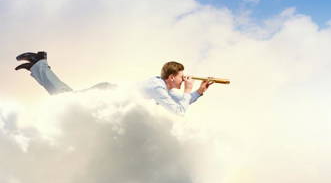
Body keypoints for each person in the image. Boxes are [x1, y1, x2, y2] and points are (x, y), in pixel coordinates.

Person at [15, 51, 213, 115]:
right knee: (64, 100)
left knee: (65, 96)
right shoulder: (157, 88)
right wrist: (189, 89)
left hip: (108, 97)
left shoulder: (161, 87)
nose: (183, 80)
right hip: (106, 98)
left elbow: (180, 103)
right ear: (171, 77)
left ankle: (38, 65)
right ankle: (39, 63)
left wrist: (199, 92)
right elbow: (179, 112)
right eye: (181, 77)